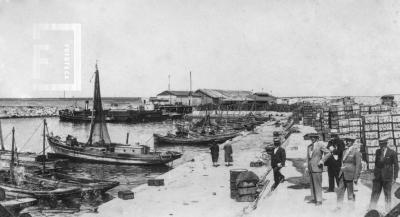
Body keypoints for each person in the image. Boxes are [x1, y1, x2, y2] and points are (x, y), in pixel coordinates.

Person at [369, 136, 399, 212]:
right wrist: (374, 174)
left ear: (386, 143)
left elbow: (396, 166)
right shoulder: (377, 151)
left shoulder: (392, 153)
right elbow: (376, 163)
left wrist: (395, 177)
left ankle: (387, 210)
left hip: (387, 177)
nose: (381, 146)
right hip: (378, 177)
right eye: (380, 144)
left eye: (382, 144)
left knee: (387, 194)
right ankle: (372, 208)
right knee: (375, 193)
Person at [336, 135, 362, 209]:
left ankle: (351, 208)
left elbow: (358, 166)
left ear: (353, 142)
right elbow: (342, 162)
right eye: (346, 141)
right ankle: (339, 207)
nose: (347, 142)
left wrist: (356, 177)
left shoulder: (356, 152)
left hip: (350, 175)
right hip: (342, 174)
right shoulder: (344, 151)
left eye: (349, 141)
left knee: (350, 193)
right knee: (340, 191)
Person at [305, 133, 331, 206]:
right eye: (311, 137)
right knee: (312, 184)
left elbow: (328, 153)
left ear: (317, 138)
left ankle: (319, 200)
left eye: (314, 137)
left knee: (318, 184)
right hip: (310, 168)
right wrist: (307, 166)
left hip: (317, 167)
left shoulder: (320, 145)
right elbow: (307, 157)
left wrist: (322, 160)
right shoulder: (309, 146)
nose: (312, 138)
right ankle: (314, 198)